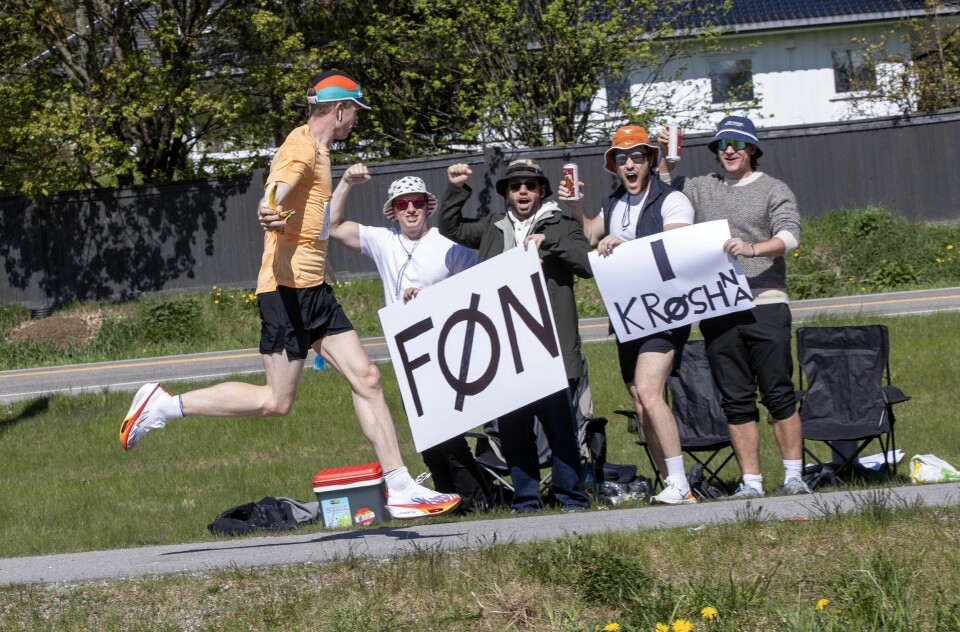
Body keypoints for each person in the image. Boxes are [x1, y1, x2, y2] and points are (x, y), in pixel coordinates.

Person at [119, 70, 461, 520]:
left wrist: (321, 257)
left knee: (367, 378)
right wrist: (270, 209)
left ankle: (398, 484)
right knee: (274, 402)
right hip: (286, 291)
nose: (356, 120)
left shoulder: (320, 151)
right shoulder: (302, 146)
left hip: (312, 287)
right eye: (355, 111)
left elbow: (310, 219)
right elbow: (276, 189)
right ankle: (163, 405)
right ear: (339, 110)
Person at [657, 115, 811, 498]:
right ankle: (752, 482)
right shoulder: (700, 188)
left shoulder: (773, 188)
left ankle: (793, 477)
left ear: (752, 149)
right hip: (718, 306)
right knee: (736, 398)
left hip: (765, 302)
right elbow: (662, 196)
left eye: (737, 144)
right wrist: (665, 157)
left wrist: (752, 248)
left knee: (778, 392)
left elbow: (790, 235)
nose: (729, 150)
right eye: (722, 144)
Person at [325, 165, 492, 513]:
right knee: (425, 433)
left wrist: (431, 296)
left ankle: (476, 500)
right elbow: (333, 225)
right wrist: (345, 183)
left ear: (428, 206)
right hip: (406, 353)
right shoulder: (384, 240)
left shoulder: (448, 245)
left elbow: (476, 288)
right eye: (403, 204)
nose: (411, 209)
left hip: (443, 349)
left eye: (417, 202)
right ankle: (444, 498)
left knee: (446, 428)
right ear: (393, 210)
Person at [440, 158, 591, 513]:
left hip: (548, 344)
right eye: (514, 186)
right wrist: (456, 188)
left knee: (560, 429)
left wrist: (550, 241)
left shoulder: (561, 223)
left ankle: (571, 497)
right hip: (506, 347)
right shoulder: (493, 227)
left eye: (530, 185)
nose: (522, 191)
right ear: (506, 194)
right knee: (514, 430)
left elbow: (585, 264)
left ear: (541, 191)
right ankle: (526, 500)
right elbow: (451, 228)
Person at [560, 125, 697, 505]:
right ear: (614, 166)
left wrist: (627, 244)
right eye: (622, 159)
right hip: (629, 314)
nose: (630, 165)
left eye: (638, 156)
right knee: (639, 400)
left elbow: (677, 246)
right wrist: (576, 208)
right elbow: (590, 234)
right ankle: (671, 481)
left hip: (666, 310)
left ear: (651, 160)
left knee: (651, 393)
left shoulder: (673, 200)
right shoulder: (615, 202)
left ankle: (680, 483)